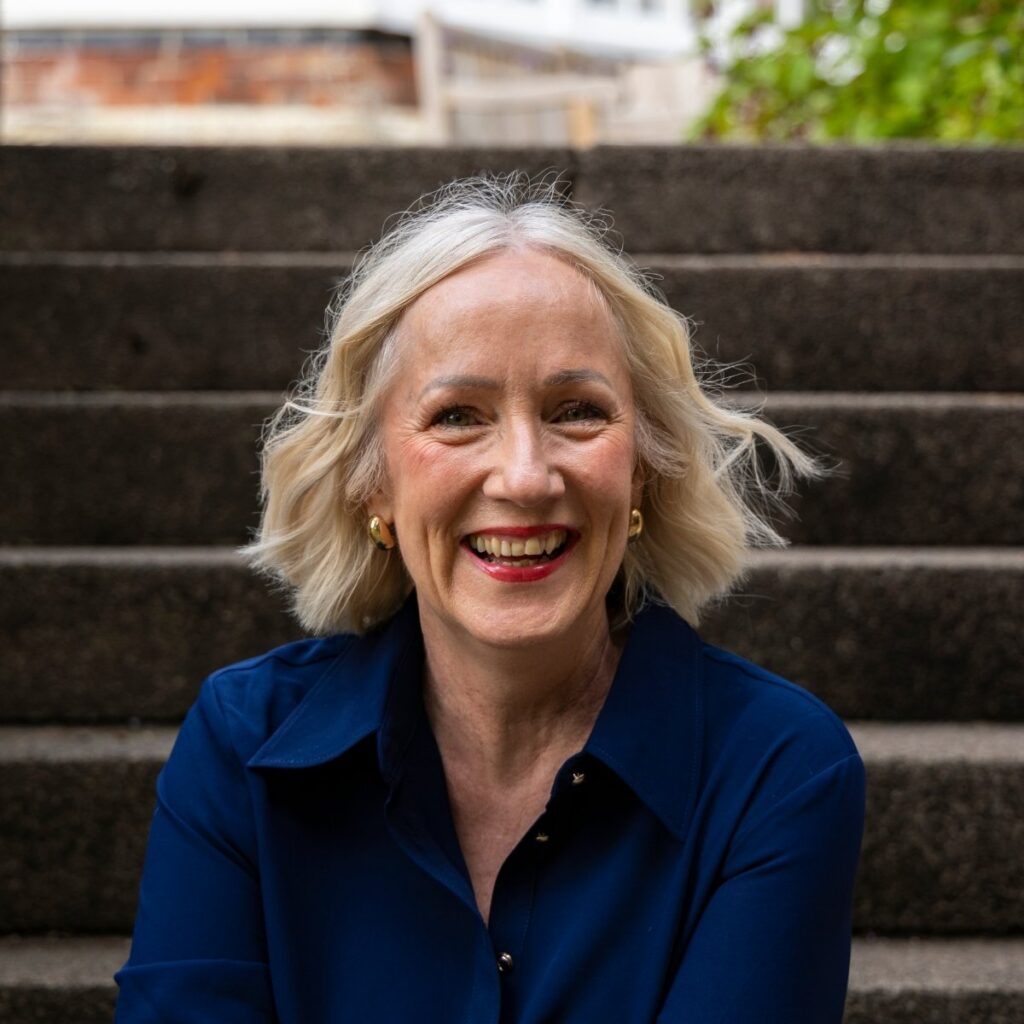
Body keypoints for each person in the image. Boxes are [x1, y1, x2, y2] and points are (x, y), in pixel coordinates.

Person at [114, 176, 865, 1023]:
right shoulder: (242, 747)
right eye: (457, 416)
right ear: (371, 483)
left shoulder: (776, 770)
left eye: (577, 411)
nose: (524, 476)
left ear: (645, 466)